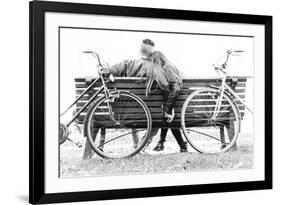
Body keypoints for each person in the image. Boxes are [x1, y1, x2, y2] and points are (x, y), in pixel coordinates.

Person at [104, 39, 187, 152]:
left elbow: (112, 69)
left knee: (133, 110)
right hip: (152, 113)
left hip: (127, 111)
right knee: (157, 117)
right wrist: (168, 109)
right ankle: (142, 146)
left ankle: (136, 146)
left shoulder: (129, 64)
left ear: (140, 51)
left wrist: (106, 71)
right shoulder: (158, 70)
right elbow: (168, 87)